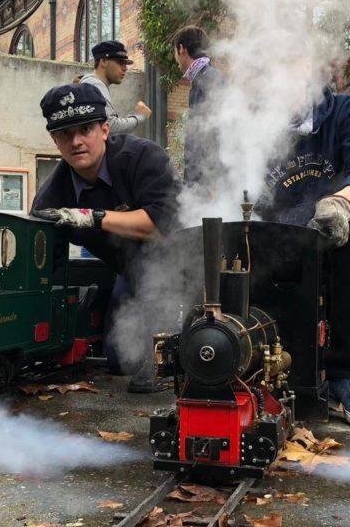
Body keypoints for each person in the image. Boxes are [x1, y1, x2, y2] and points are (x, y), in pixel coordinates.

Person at [31, 83, 179, 392]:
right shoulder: (51, 198)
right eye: (65, 134)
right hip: (131, 273)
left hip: (182, 271)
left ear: (105, 129)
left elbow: (162, 225)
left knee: (176, 357)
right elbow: (44, 263)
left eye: (85, 129)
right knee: (119, 359)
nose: (77, 141)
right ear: (55, 141)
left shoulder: (142, 157)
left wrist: (92, 217)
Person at [259, 85, 350, 429]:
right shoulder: (253, 121)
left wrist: (342, 202)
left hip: (332, 230)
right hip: (276, 232)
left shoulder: (345, 111)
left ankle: (348, 374)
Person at [171, 25, 223, 186]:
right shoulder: (204, 77)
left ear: (181, 49)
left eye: (174, 52)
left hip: (207, 184)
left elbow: (216, 135)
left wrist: (211, 182)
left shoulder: (208, 79)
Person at [79, 40, 151, 135]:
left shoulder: (92, 84)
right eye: (120, 62)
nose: (125, 68)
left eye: (125, 64)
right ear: (103, 61)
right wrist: (140, 116)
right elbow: (111, 126)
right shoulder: (94, 85)